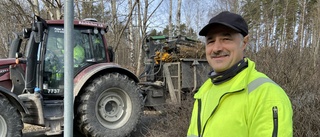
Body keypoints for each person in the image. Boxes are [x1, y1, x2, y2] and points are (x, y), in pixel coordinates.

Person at [187, 11, 293, 137]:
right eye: (210, 41)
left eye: (226, 39)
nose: (216, 48)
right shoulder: (204, 91)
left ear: (244, 42)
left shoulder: (266, 94)